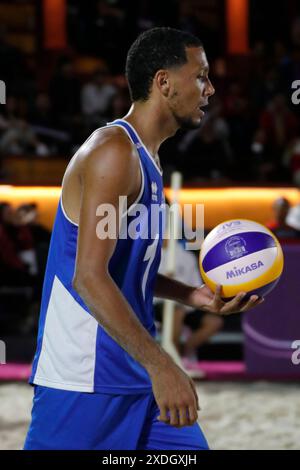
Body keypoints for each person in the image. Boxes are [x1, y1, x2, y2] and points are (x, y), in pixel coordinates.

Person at [24, 27, 263, 451]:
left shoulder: (148, 158)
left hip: (133, 369)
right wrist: (163, 366)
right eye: (201, 76)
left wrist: (196, 296)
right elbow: (89, 278)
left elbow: (126, 271)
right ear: (164, 82)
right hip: (86, 379)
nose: (210, 88)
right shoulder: (113, 152)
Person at [154, 239, 224, 361]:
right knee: (176, 312)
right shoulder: (151, 254)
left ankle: (182, 352)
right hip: (158, 304)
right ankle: (174, 359)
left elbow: (196, 287)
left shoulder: (187, 257)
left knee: (214, 322)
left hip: (187, 305)